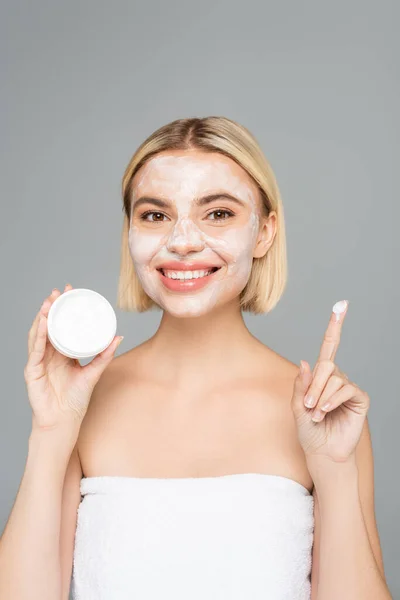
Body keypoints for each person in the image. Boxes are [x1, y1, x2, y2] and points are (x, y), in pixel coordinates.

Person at [0, 116, 392, 599]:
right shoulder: (83, 404)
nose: (183, 241)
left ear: (265, 231)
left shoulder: (322, 413)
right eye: (155, 215)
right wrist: (51, 432)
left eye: (219, 213)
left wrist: (334, 471)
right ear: (130, 232)